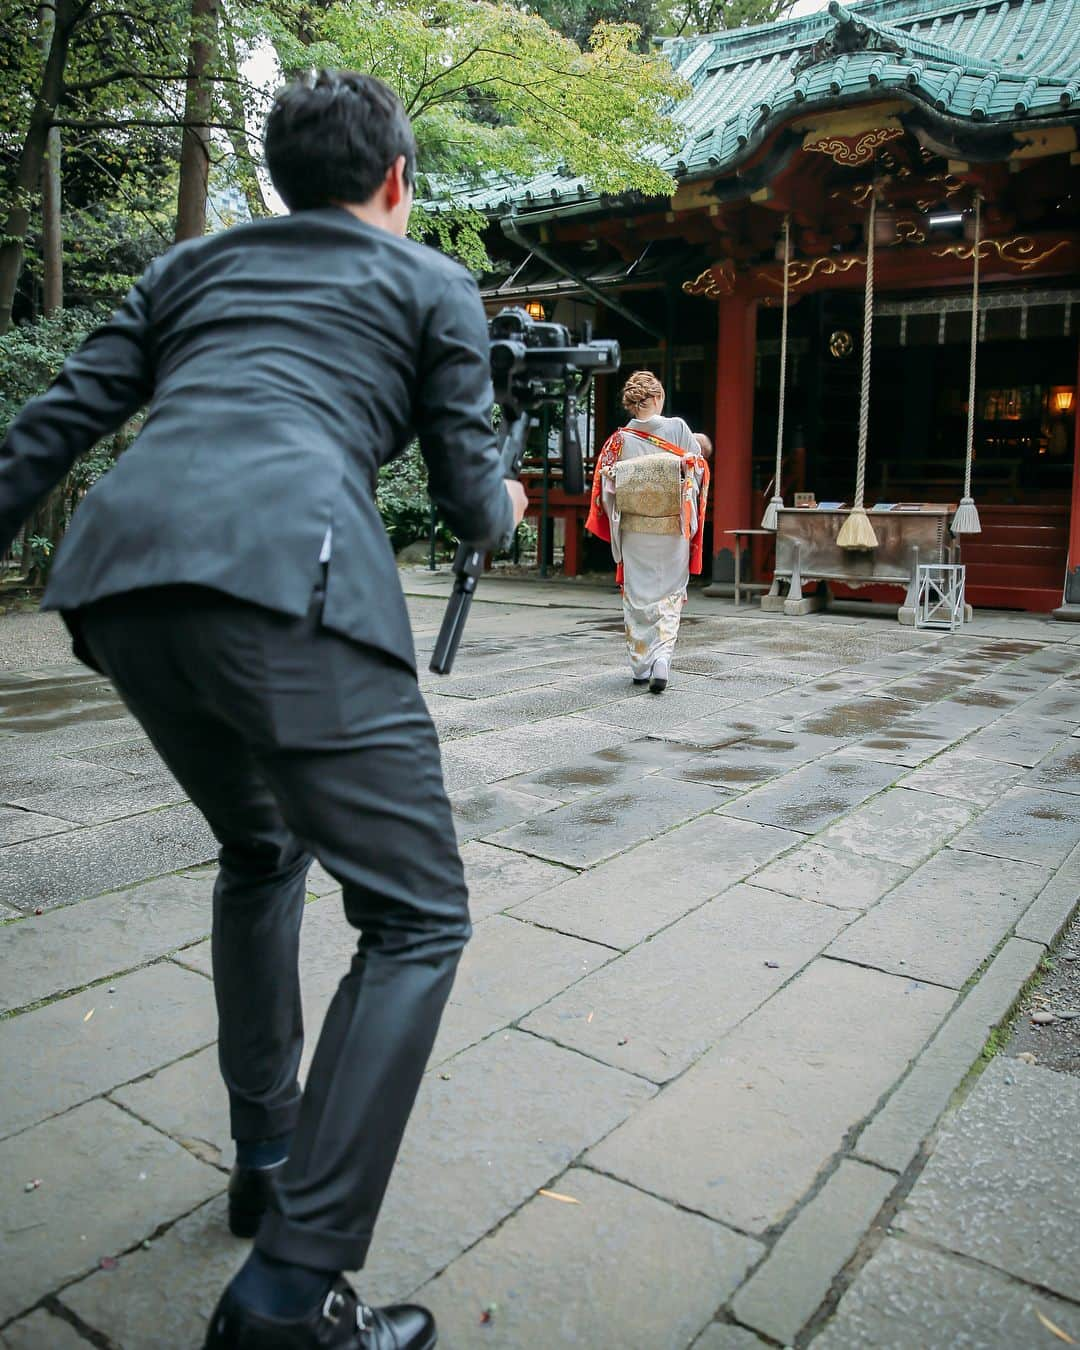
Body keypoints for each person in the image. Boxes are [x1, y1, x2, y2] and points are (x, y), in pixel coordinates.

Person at [0, 70, 527, 1350]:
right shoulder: (430, 282)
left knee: (261, 847)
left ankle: (266, 1151)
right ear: (397, 180)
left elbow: (53, 423)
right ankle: (289, 1298)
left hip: (123, 587)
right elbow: (471, 499)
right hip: (291, 582)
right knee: (418, 915)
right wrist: (503, 506)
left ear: (284, 180)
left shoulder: (191, 270)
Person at [585, 372, 709, 693]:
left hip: (635, 530)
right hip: (672, 529)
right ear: (656, 399)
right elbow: (696, 469)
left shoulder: (618, 441)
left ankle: (640, 664)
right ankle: (662, 658)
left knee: (638, 596)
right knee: (669, 592)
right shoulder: (679, 428)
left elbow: (605, 488)